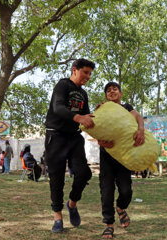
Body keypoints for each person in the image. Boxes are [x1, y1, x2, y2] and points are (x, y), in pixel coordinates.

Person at [44, 58, 95, 233]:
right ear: (74, 70)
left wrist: (99, 114)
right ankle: (57, 217)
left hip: (74, 138)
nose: (87, 77)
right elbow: (58, 107)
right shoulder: (62, 86)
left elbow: (87, 117)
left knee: (84, 173)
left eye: (89, 74)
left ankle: (72, 204)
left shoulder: (84, 94)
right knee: (56, 178)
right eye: (85, 72)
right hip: (55, 136)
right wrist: (78, 117)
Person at [97, 82, 145, 239]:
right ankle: (109, 225)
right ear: (106, 95)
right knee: (106, 192)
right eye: (108, 91)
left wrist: (141, 131)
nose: (112, 92)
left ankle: (121, 207)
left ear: (120, 93)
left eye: (114, 89)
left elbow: (138, 118)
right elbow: (95, 128)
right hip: (106, 156)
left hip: (124, 156)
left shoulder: (126, 107)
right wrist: (101, 141)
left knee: (126, 190)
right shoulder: (102, 108)